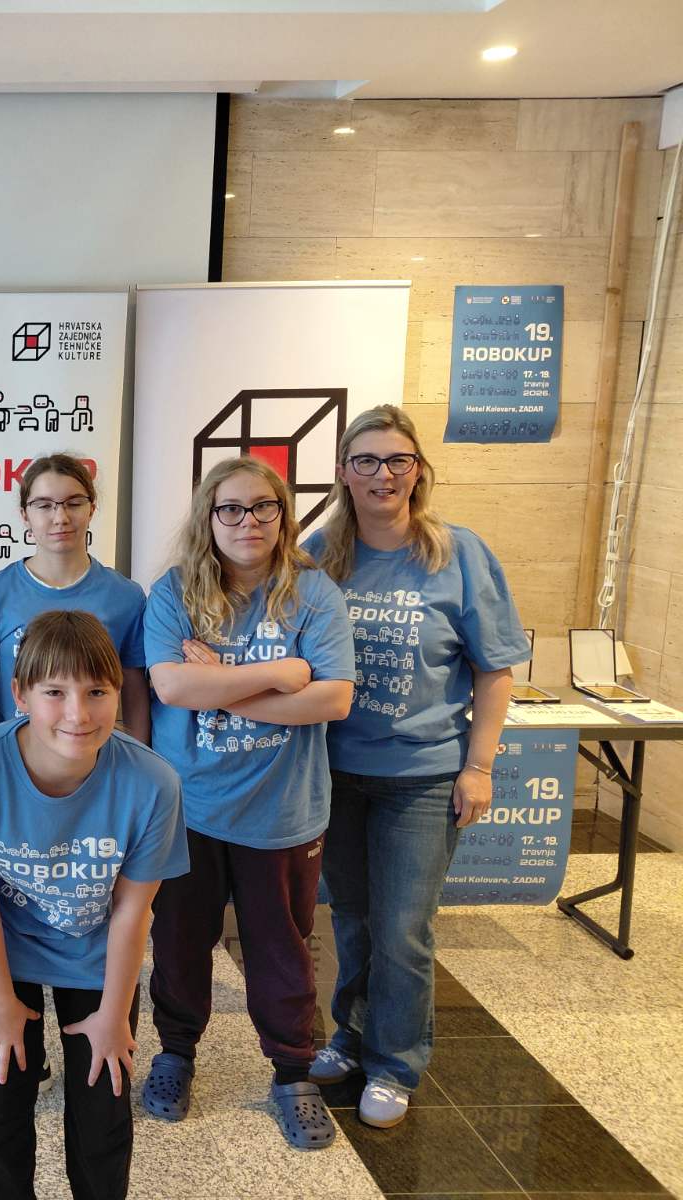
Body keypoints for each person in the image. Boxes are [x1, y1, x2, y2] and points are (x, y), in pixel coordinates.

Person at [302, 405, 529, 1129]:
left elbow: (495, 669)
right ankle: (351, 1036)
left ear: (418, 471)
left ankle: (395, 1063)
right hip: (335, 773)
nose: (383, 474)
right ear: (344, 473)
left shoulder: (457, 553)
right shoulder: (318, 553)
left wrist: (479, 766)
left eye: (397, 460)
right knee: (353, 920)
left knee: (403, 929)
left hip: (424, 777)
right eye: (366, 461)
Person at [0, 611, 187, 1200]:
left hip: (96, 951)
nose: (78, 713)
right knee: (0, 1098)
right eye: (54, 692)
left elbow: (132, 912)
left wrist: (114, 1014)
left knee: (104, 1104)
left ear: (120, 693)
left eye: (97, 691)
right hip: (3, 947)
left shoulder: (153, 784)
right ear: (19, 694)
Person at [140, 455, 354, 1150]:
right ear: (209, 517)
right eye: (230, 508)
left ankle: (292, 1072)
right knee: (179, 943)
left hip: (282, 812)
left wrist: (224, 684)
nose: (248, 521)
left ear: (283, 516)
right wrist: (284, 673)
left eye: (263, 507)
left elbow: (334, 698)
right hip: (191, 810)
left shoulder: (313, 593)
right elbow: (173, 688)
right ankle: (176, 1053)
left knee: (282, 949)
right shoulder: (175, 590)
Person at [0, 453, 148, 743]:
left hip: (93, 753)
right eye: (44, 505)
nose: (60, 518)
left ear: (92, 509)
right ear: (25, 514)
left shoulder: (126, 597)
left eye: (74, 503)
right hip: (13, 756)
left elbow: (136, 692)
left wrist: (138, 757)